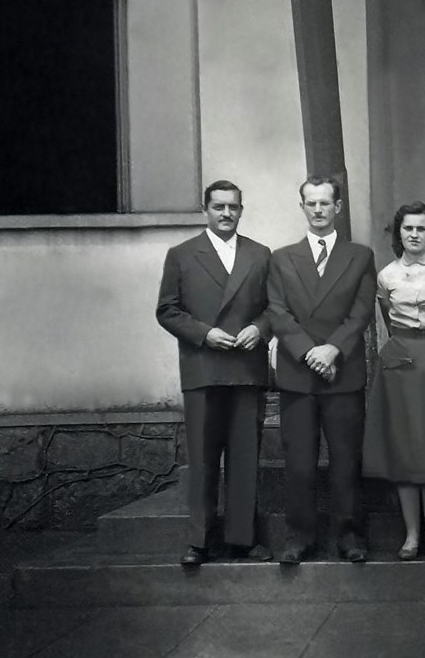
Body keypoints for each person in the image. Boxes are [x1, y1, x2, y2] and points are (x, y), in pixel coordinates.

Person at [156, 180, 273, 567]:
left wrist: (260, 328)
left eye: (233, 207)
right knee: (204, 459)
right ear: (205, 209)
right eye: (219, 207)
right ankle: (199, 541)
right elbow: (167, 310)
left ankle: (242, 538)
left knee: (244, 457)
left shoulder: (260, 254)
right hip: (203, 368)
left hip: (245, 367)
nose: (226, 214)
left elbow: (275, 307)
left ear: (242, 210)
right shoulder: (182, 255)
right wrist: (205, 334)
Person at [267, 176, 376, 564]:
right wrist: (309, 352)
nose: (318, 210)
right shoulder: (280, 258)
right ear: (302, 208)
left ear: (338, 208)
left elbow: (361, 311)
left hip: (341, 371)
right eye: (310, 203)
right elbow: (277, 312)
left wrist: (333, 349)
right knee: (299, 461)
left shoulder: (359, 256)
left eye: (325, 203)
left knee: (346, 458)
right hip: (299, 372)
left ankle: (348, 534)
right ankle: (300, 536)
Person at [363, 201, 425, 561]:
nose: (415, 235)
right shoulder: (387, 275)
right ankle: (410, 536)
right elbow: (388, 320)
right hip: (400, 359)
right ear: (399, 233)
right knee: (406, 448)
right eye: (408, 229)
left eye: (422, 229)